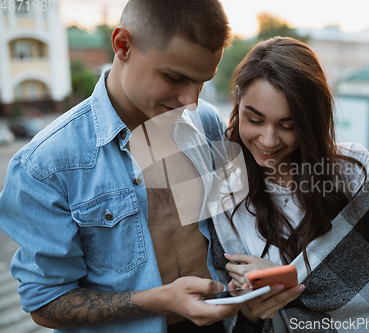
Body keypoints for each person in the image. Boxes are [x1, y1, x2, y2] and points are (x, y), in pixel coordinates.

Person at [0, 0, 245, 332]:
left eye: (202, 81)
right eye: (175, 78)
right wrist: (159, 301)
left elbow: (234, 227)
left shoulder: (207, 123)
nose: (191, 100)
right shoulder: (45, 164)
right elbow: (45, 303)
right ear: (123, 45)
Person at [208, 37, 369, 332]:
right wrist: (251, 313)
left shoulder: (353, 172)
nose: (268, 140)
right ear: (237, 107)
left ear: (311, 121)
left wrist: (292, 278)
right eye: (254, 119)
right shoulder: (223, 192)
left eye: (288, 125)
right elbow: (228, 313)